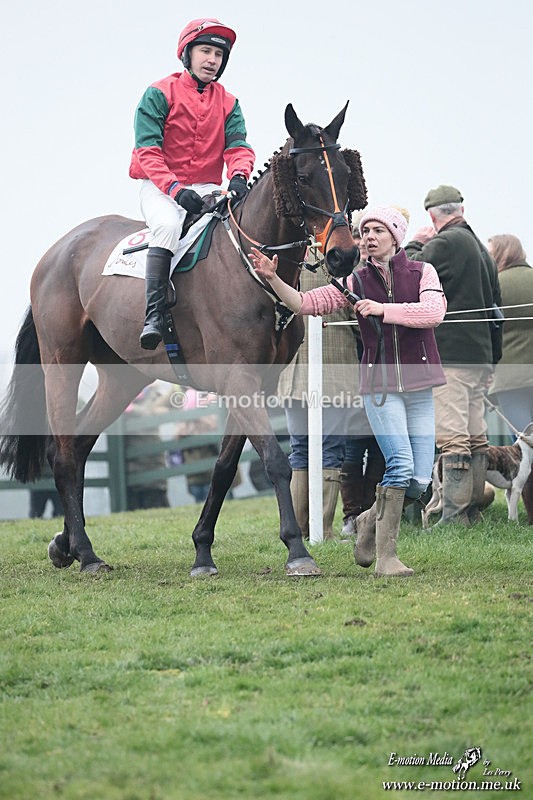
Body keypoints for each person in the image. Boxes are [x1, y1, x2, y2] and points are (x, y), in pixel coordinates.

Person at [250, 206, 447, 577]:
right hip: (379, 388)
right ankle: (386, 559)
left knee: (419, 483)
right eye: (365, 230)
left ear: (396, 237)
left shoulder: (424, 272)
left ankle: (368, 521)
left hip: (420, 387)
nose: (369, 236)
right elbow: (306, 304)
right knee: (400, 466)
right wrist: (275, 280)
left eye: (378, 230)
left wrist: (383, 310)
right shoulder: (354, 282)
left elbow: (433, 312)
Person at [129, 18, 255, 350]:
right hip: (160, 188)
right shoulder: (158, 93)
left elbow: (238, 147)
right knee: (169, 227)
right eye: (205, 51)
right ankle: (154, 314)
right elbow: (148, 152)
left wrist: (239, 176)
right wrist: (175, 191)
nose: (212, 60)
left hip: (206, 187)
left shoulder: (230, 102)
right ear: (187, 54)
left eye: (218, 54)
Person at [405, 185, 502, 526]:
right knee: (475, 435)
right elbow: (496, 309)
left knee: (452, 436)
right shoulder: (481, 248)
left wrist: (417, 242)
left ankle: (455, 517)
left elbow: (408, 272)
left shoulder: (444, 243)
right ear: (460, 208)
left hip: (451, 356)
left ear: (432, 215)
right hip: (479, 356)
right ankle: (471, 512)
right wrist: (493, 359)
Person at [277, 248, 366, 540]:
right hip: (336, 366)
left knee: (300, 448)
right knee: (330, 448)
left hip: (292, 367)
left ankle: (300, 530)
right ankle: (323, 529)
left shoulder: (290, 254)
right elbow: (359, 319)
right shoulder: (349, 260)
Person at [340, 211, 384, 536]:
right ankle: (351, 515)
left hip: (383, 374)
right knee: (354, 449)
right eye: (361, 236)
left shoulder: (391, 278)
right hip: (356, 374)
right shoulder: (351, 279)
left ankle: (370, 513)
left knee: (380, 449)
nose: (365, 243)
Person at [486, 234, 533, 524]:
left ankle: (530, 515)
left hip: (510, 379)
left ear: (501, 254)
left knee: (524, 449)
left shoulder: (497, 285)